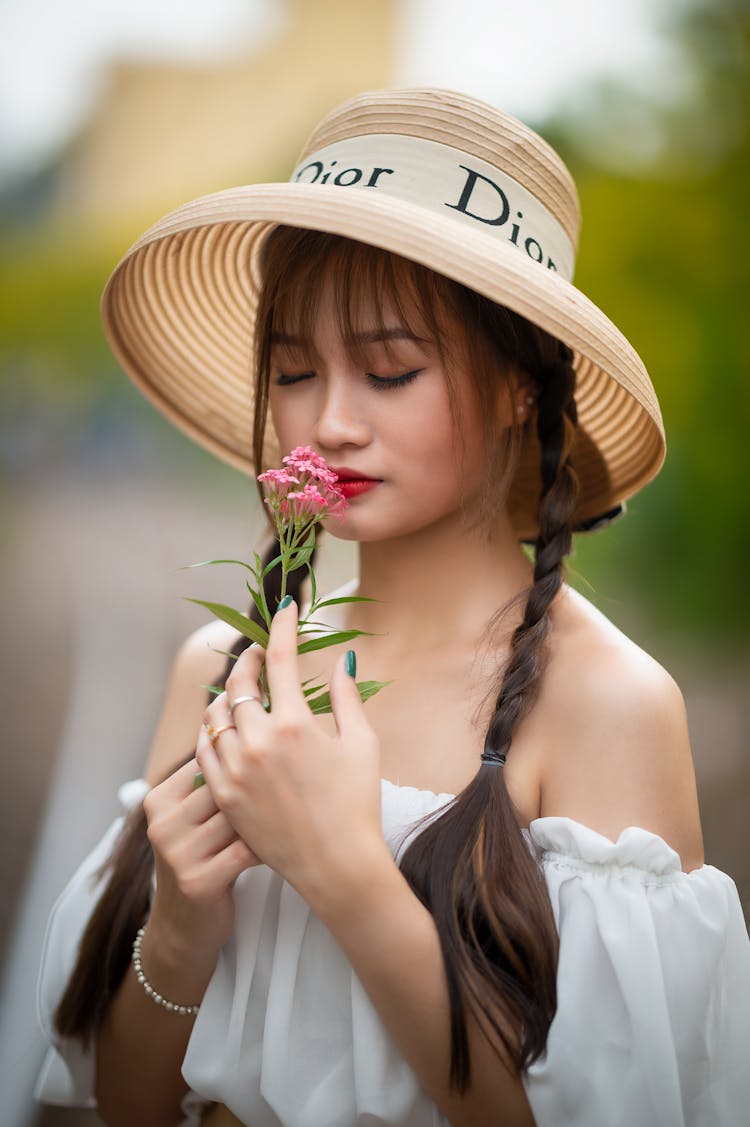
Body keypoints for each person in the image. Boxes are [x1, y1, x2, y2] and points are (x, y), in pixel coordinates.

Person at [36, 87, 750, 1127]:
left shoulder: (607, 704)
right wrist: (182, 927)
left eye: (389, 370)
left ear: (517, 381)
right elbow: (128, 1103)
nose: (327, 420)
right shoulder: (224, 671)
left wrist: (344, 870)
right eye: (292, 369)